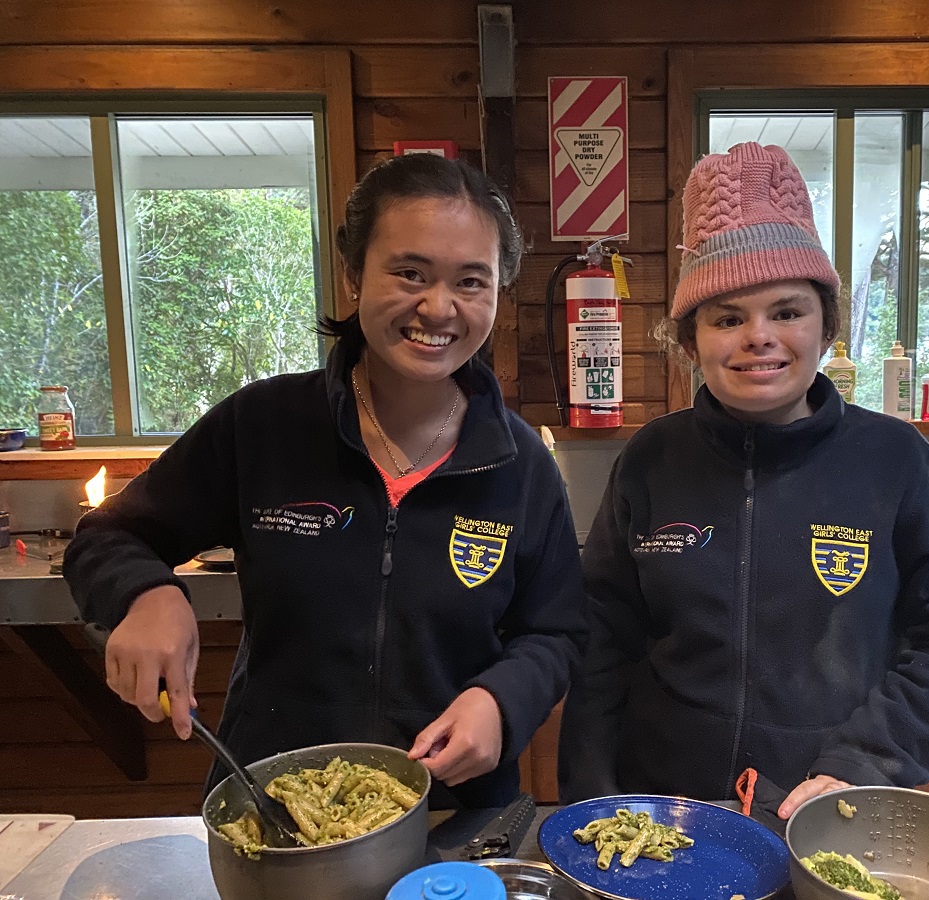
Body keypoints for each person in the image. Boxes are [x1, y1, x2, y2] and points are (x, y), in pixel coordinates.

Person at [64, 153, 587, 810]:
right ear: (352, 274)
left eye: (471, 281)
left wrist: (500, 701)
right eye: (409, 272)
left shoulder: (522, 464)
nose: (439, 306)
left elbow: (558, 633)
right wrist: (146, 595)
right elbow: (107, 536)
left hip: (453, 815)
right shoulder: (262, 425)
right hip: (275, 809)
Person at [558, 142, 929, 819]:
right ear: (691, 341)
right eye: (727, 317)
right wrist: (591, 796)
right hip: (663, 813)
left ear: (827, 324)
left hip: (823, 812)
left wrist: (864, 762)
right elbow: (601, 641)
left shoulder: (896, 462)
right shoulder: (652, 460)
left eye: (787, 311)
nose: (757, 336)